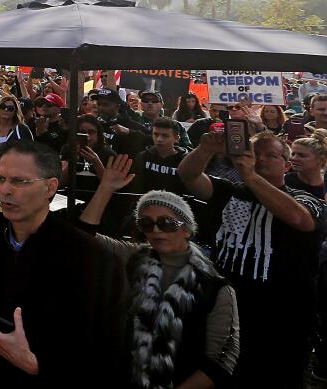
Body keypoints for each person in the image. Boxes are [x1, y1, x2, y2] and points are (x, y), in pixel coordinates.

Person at [0, 141, 127, 384]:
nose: (5, 190)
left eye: (19, 181)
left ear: (50, 187)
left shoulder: (92, 259)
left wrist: (37, 365)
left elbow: (106, 352)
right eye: (0, 179)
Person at [178, 129, 324, 385]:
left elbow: (300, 219)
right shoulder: (229, 191)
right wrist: (205, 150)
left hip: (283, 316)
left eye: (270, 155)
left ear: (287, 164)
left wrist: (250, 175)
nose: (261, 159)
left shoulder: (306, 199)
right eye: (255, 153)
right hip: (230, 307)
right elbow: (188, 175)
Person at [81, 155, 239, 387]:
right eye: (146, 224)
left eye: (166, 223)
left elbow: (221, 360)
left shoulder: (215, 287)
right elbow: (85, 241)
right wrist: (106, 188)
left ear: (186, 230)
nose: (156, 230)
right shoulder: (133, 256)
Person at [130, 116, 188, 195]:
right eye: (156, 134)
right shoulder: (142, 157)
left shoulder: (185, 162)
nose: (159, 139)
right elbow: (135, 188)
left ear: (176, 138)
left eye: (165, 136)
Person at [288, 131, 327, 198]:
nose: (293, 158)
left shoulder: (325, 187)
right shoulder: (285, 181)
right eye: (293, 154)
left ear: (321, 160)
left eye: (302, 155)